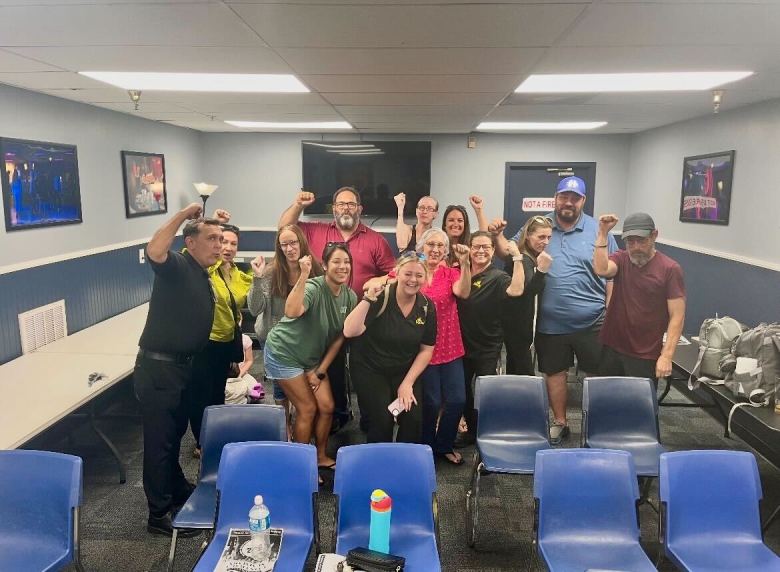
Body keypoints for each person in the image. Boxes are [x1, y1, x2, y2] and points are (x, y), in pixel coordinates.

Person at [496, 176, 617, 445]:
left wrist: (610, 310)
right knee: (554, 373)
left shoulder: (598, 230)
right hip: (550, 323)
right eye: (564, 197)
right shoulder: (541, 225)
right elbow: (508, 251)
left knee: (598, 376)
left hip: (593, 321)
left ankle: (597, 425)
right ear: (556, 198)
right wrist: (495, 233)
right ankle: (560, 422)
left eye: (575, 198)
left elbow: (611, 275)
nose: (568, 203)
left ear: (583, 201)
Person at [134, 203, 222, 537]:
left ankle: (174, 487)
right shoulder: (178, 265)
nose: (218, 244)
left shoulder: (200, 272)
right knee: (159, 443)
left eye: (221, 238)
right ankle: (158, 514)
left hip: (184, 370)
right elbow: (154, 250)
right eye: (211, 238)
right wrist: (184, 214)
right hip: (159, 370)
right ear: (191, 242)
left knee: (172, 437)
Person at [278, 188, 395, 431]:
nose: (346, 208)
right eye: (341, 204)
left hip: (362, 317)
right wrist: (298, 204)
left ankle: (369, 417)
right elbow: (284, 228)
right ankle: (336, 417)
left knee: (362, 369)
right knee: (330, 367)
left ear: (360, 209)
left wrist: (379, 280)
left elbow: (392, 272)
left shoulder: (376, 239)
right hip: (325, 318)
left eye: (351, 204)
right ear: (333, 208)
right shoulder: (315, 230)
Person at [263, 243, 357, 470]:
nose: (342, 267)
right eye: (336, 262)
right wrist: (304, 274)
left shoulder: (350, 296)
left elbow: (339, 338)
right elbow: (292, 311)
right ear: (324, 265)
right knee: (307, 409)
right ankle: (300, 467)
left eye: (347, 262)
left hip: (311, 358)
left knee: (327, 407)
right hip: (284, 353)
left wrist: (321, 370)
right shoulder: (314, 287)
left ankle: (320, 456)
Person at [343, 253, 437, 443]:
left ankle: (402, 462)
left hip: (402, 371)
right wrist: (367, 300)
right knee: (382, 420)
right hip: (370, 369)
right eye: (408, 274)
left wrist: (407, 383)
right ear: (397, 273)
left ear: (425, 278)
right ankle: (377, 465)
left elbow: (426, 349)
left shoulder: (426, 306)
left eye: (419, 275)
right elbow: (349, 331)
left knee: (413, 418)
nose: (413, 280)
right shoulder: (381, 297)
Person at [247, 224, 323, 432]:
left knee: (302, 390)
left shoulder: (315, 269)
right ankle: (285, 430)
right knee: (280, 390)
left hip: (303, 340)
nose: (289, 249)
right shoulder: (271, 272)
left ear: (302, 243)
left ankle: (301, 427)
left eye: (293, 243)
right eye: (284, 245)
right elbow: (254, 309)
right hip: (274, 340)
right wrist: (258, 278)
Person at [593, 212, 686, 381]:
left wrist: (666, 356)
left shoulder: (670, 269)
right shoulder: (621, 259)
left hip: (645, 353)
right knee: (606, 400)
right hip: (612, 345)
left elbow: (677, 316)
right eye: (630, 241)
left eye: (641, 240)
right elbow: (601, 269)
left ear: (654, 235)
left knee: (637, 405)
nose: (635, 246)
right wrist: (603, 233)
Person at [189, 214, 253, 458]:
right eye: (222, 242)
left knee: (217, 392)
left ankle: (215, 434)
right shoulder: (207, 269)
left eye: (232, 244)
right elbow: (191, 251)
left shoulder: (238, 274)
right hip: (206, 340)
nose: (226, 248)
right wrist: (209, 217)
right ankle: (201, 442)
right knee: (200, 394)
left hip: (227, 341)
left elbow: (249, 296)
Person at [456, 231, 527, 445]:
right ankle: (471, 430)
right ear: (469, 248)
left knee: (486, 393)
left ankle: (486, 434)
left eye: (486, 247)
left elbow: (516, 290)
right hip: (460, 345)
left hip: (487, 345)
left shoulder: (497, 277)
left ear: (493, 251)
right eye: (476, 246)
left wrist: (517, 258)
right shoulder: (460, 273)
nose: (480, 250)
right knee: (462, 392)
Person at [416, 228, 472, 464]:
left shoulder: (451, 273)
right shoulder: (412, 271)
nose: (435, 250)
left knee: (458, 399)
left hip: (450, 347)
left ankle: (444, 444)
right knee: (431, 402)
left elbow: (463, 292)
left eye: (440, 246)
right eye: (431, 245)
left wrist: (465, 263)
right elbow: (389, 280)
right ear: (422, 247)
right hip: (423, 349)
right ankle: (428, 446)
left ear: (446, 250)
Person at [491, 216, 553, 375]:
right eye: (541, 237)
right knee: (524, 378)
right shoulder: (524, 259)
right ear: (527, 236)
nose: (546, 242)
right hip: (517, 331)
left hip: (518, 330)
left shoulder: (528, 257)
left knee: (516, 375)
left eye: (548, 237)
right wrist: (542, 271)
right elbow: (526, 293)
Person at [441, 196, 489, 265]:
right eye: (451, 220)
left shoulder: (471, 245)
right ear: (444, 225)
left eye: (460, 220)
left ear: (465, 225)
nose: (455, 224)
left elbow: (484, 235)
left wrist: (479, 210)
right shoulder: (438, 244)